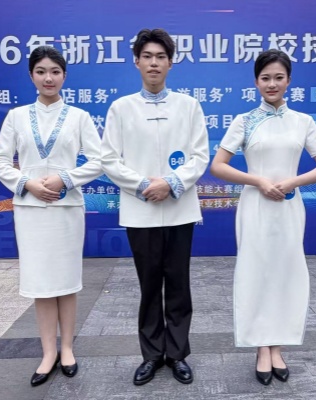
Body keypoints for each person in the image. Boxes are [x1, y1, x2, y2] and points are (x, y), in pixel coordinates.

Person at [210, 49, 316, 385]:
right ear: (256, 82)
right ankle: (260, 347)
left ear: (289, 81)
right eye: (265, 78)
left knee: (285, 272)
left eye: (279, 77)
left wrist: (293, 181)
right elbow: (218, 165)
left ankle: (277, 346)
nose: (272, 84)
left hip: (289, 207)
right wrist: (258, 181)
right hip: (255, 205)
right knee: (256, 271)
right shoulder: (244, 120)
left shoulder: (303, 122)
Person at [101, 28, 209, 385]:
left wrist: (171, 183)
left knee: (178, 283)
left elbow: (199, 157)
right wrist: (144, 185)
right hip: (141, 209)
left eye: (161, 57)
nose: (154, 63)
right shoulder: (121, 108)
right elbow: (109, 160)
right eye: (147, 56)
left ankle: (177, 354)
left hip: (179, 208)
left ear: (170, 63)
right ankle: (151, 355)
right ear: (136, 61)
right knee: (149, 286)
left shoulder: (189, 106)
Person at [0, 46, 102, 387]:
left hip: (66, 209)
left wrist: (65, 178)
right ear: (31, 76)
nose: (48, 78)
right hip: (30, 210)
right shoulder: (16, 116)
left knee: (66, 282)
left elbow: (99, 161)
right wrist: (27, 183)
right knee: (41, 284)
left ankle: (67, 349)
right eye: (41, 71)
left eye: (55, 71)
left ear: (64, 75)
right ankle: (48, 352)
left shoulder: (79, 117)